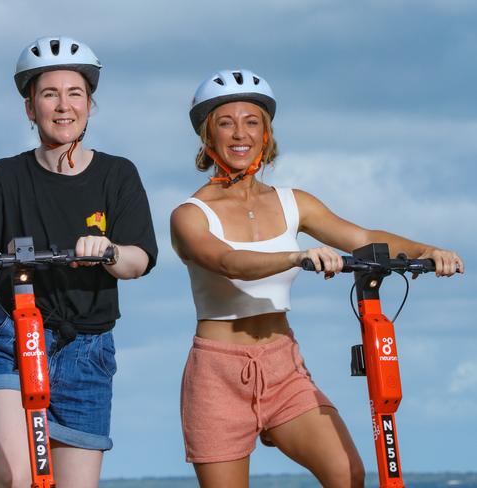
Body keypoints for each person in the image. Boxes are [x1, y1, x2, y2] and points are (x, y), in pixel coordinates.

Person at [170, 69, 463, 488]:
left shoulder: (295, 203)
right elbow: (229, 262)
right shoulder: (189, 214)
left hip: (282, 365)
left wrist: (428, 252)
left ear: (266, 134)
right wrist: (296, 256)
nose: (240, 133)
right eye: (225, 122)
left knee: (346, 473)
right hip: (218, 373)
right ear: (207, 136)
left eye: (252, 121)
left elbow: (363, 238)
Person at [0, 36, 157, 488]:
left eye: (75, 94)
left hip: (88, 353)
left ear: (90, 105)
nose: (62, 106)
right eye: (49, 94)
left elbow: (138, 258)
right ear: (30, 108)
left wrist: (108, 251)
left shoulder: (118, 174)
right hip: (11, 338)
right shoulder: (5, 176)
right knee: (18, 478)